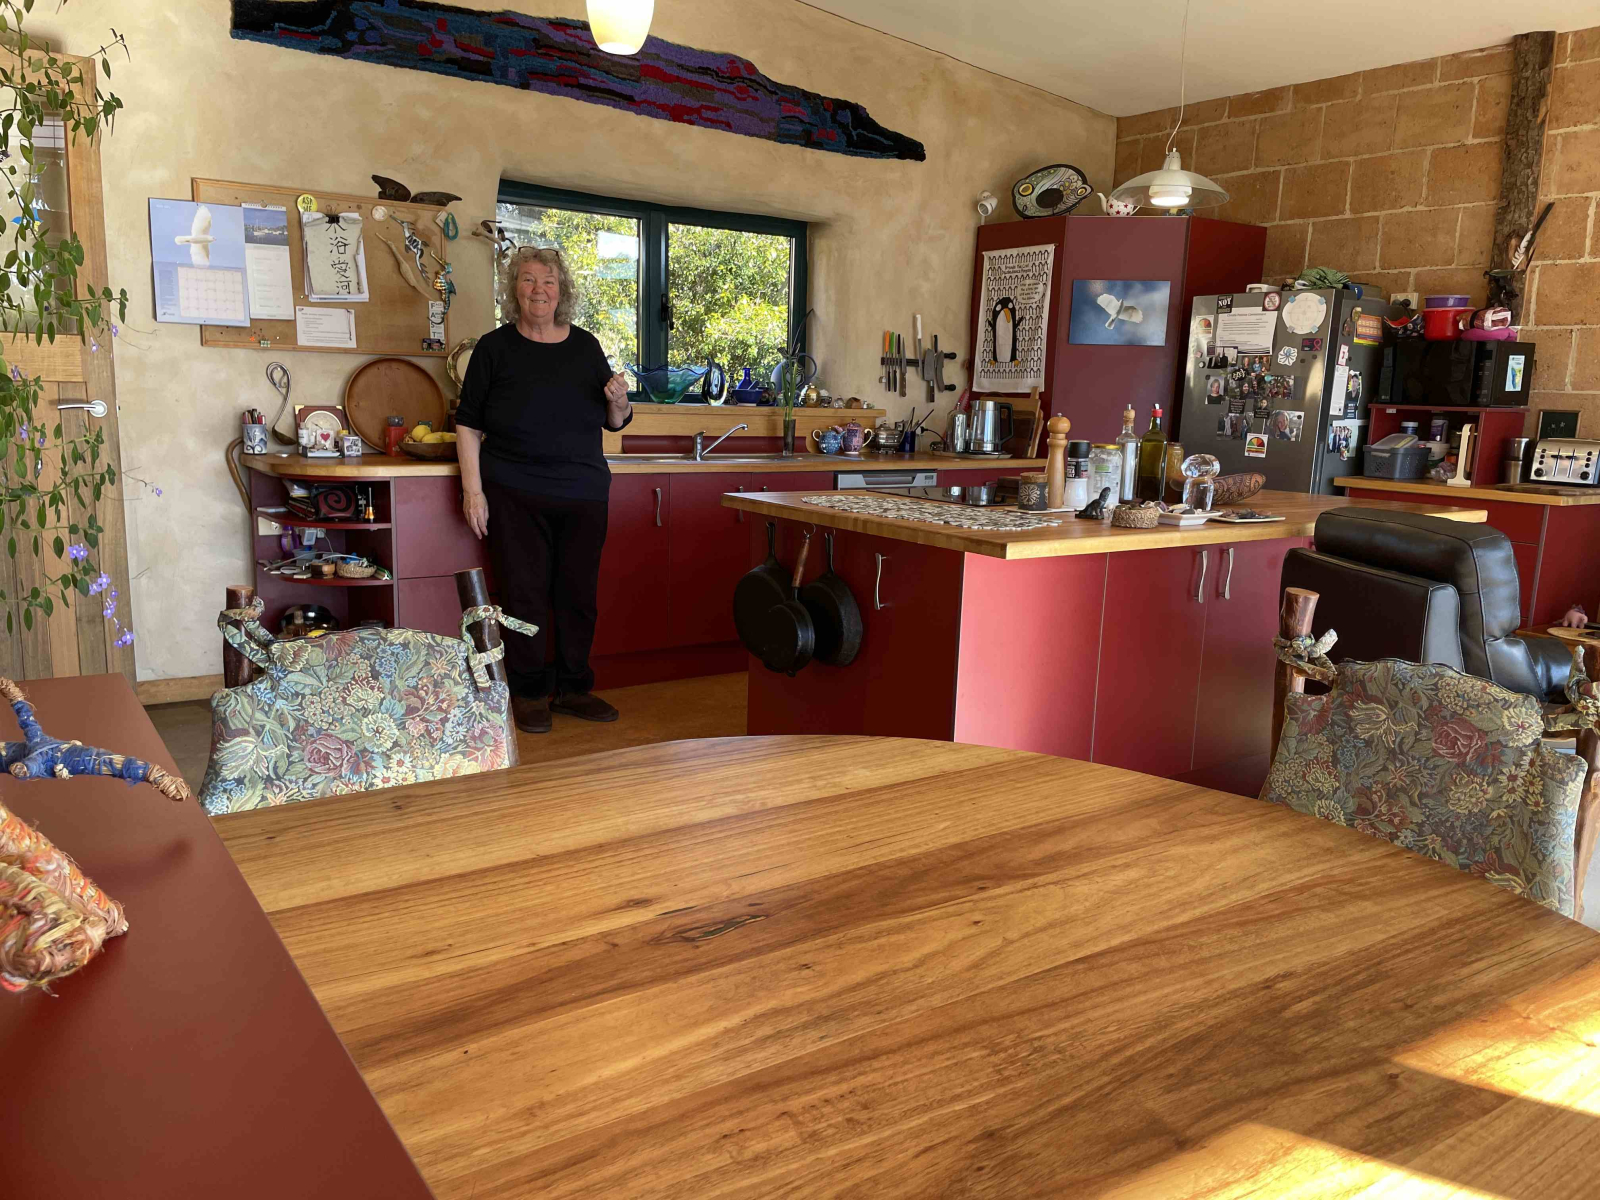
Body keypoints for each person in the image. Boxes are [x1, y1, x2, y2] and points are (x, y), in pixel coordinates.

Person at [454, 246, 633, 734]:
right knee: (524, 596)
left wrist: (619, 401)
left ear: (562, 291)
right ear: (514, 290)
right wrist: (473, 493)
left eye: (549, 281)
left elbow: (615, 420)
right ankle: (530, 691)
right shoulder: (494, 348)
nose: (539, 289)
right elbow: (467, 424)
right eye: (529, 279)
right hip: (514, 493)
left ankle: (573, 688)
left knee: (578, 596)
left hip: (583, 492)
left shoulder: (585, 346)